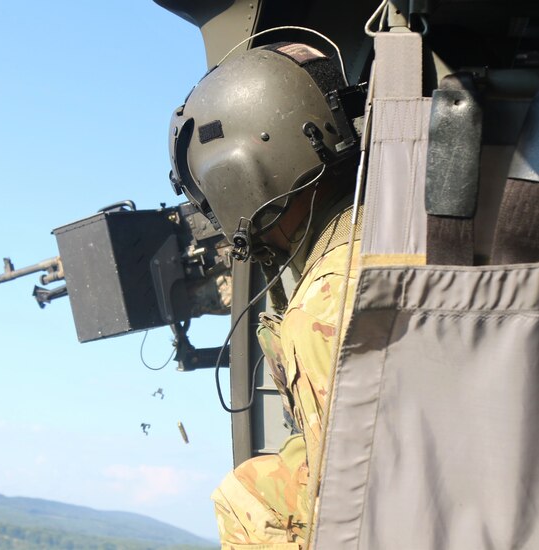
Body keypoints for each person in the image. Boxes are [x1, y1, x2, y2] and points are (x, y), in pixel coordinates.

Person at [168, 42, 363, 549]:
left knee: (248, 498)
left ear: (239, 180)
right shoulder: (397, 227)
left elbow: (354, 514)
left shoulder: (324, 305)